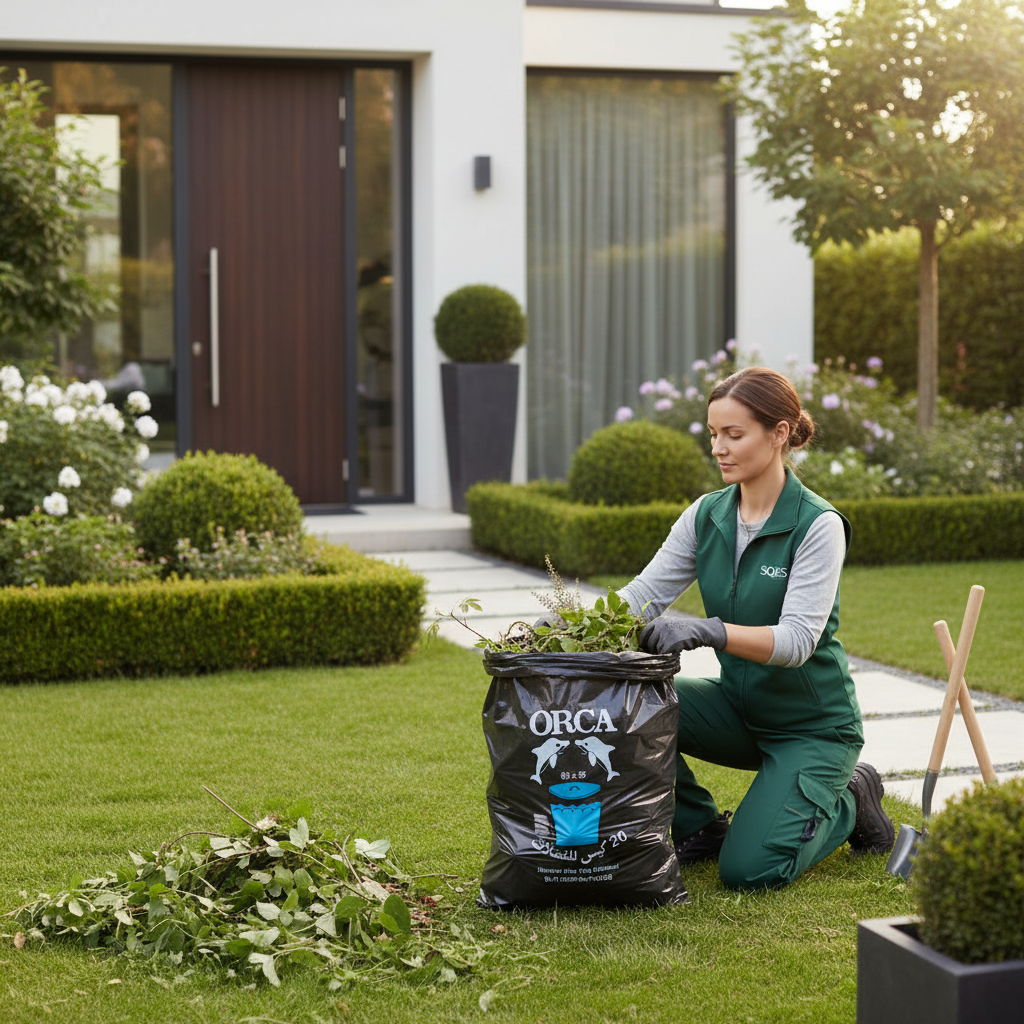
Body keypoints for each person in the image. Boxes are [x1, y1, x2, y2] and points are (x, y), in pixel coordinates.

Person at [617, 366, 895, 891]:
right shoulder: (706, 516)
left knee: (750, 872)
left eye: (734, 435)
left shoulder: (817, 524)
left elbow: (796, 641)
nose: (719, 448)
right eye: (713, 434)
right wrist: (558, 623)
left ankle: (851, 800)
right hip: (740, 708)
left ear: (780, 433)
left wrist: (711, 630)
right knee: (626, 705)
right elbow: (641, 598)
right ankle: (699, 826)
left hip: (812, 728)